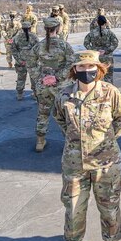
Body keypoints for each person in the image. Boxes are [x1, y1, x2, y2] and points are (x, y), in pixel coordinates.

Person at [52, 50, 121, 241]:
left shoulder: (111, 93)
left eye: (91, 67)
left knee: (109, 207)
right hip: (74, 164)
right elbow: (60, 120)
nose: (87, 72)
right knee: (73, 208)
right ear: (75, 69)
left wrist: (102, 143)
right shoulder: (64, 94)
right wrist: (78, 143)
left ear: (99, 69)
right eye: (82, 68)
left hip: (106, 164)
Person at [30, 16, 75, 152]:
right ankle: (70, 143)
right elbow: (71, 63)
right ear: (58, 28)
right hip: (61, 87)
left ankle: (40, 141)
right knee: (66, 114)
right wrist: (57, 77)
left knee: (43, 113)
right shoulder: (64, 45)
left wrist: (41, 78)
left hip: (43, 86)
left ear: (45, 29)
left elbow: (31, 64)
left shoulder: (38, 46)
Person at [83, 16, 119, 83]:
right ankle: (109, 91)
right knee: (109, 76)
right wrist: (106, 50)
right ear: (105, 23)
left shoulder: (92, 33)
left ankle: (97, 91)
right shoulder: (109, 33)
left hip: (96, 57)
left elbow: (86, 43)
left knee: (97, 76)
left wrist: (93, 50)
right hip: (107, 57)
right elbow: (115, 43)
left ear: (97, 22)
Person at [11, 21, 39, 101]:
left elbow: (13, 49)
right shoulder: (34, 37)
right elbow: (38, 49)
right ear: (30, 28)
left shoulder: (17, 37)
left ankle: (20, 94)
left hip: (21, 63)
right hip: (32, 62)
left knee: (21, 78)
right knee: (34, 78)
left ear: (22, 29)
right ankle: (35, 94)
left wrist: (19, 60)